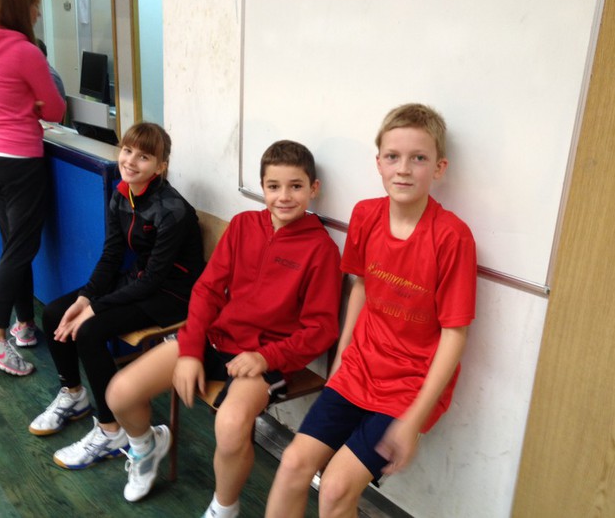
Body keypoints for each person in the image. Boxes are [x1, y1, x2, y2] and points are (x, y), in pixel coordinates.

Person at [105, 140, 342, 513]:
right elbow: (208, 290)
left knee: (230, 427)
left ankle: (224, 507)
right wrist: (189, 352)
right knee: (119, 393)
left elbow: (321, 330)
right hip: (214, 340)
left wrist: (266, 358)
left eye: (295, 186)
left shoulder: (322, 250)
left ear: (313, 189)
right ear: (262, 187)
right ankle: (145, 447)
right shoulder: (244, 225)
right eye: (274, 186)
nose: (284, 196)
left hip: (264, 359)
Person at [265, 103, 478, 517]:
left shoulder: (453, 237)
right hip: (358, 368)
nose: (404, 169)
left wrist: (413, 420)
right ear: (378, 162)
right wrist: (341, 358)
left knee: (335, 488)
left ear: (439, 168)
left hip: (410, 387)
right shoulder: (365, 215)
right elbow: (361, 286)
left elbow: (455, 334)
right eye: (393, 157)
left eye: (419, 158)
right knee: (292, 464)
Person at [29, 122, 205, 471]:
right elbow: (111, 255)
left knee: (89, 331)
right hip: (140, 280)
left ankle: (111, 429)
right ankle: (74, 395)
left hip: (172, 294)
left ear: (161, 166)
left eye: (144, 156)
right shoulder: (121, 194)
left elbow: (155, 280)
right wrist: (85, 299)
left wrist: (94, 309)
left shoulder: (173, 210)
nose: (131, 161)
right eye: (127, 150)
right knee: (54, 313)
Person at [0, 0, 66, 376]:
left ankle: (23, 324)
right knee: (22, 247)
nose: (39, 11)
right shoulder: (25, 51)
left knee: (13, 245)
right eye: (36, 3)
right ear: (21, 6)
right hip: (18, 159)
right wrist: (31, 104)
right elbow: (55, 109)